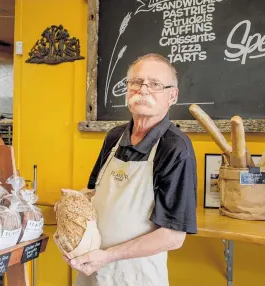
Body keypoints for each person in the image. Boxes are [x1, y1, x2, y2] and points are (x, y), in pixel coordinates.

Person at [66, 53, 198, 286]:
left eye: (155, 84)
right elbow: (96, 194)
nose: (143, 90)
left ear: (172, 95)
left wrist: (108, 256)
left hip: (135, 275)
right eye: (136, 82)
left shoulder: (175, 147)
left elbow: (173, 236)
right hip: (91, 267)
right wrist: (70, 221)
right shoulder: (115, 136)